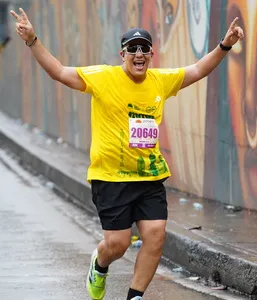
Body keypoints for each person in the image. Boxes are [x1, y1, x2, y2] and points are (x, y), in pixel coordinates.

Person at [10, 7, 243, 300]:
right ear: (122, 55)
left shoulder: (160, 81)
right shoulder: (103, 78)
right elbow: (58, 72)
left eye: (144, 48)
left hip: (149, 175)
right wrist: (32, 40)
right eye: (132, 49)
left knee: (156, 235)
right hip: (111, 178)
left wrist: (225, 45)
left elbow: (197, 70)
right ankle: (100, 263)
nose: (139, 54)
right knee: (117, 245)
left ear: (150, 55)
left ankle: (135, 296)